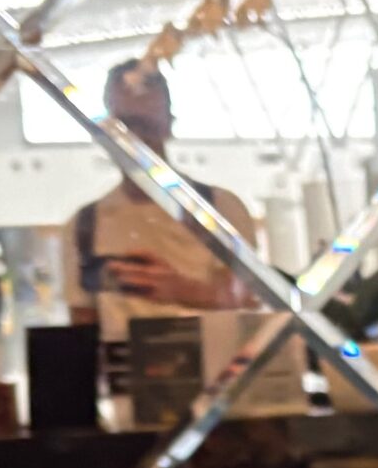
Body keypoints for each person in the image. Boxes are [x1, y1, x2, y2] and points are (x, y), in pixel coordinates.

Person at [65, 58, 259, 339]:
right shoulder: (84, 225)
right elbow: (82, 334)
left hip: (210, 362)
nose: (134, 139)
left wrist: (181, 290)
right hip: (124, 365)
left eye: (146, 125)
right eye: (123, 126)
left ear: (167, 125)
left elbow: (249, 304)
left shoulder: (220, 209)